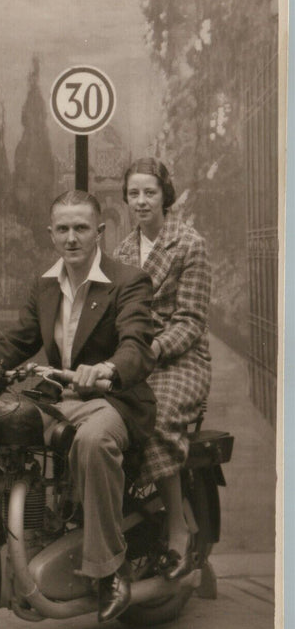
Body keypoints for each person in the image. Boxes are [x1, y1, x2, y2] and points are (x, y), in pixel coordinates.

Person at [0, 189, 156, 622]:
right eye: (63, 229)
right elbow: (15, 341)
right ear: (51, 234)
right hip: (61, 399)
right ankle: (5, 547)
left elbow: (137, 345)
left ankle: (110, 570)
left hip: (114, 400)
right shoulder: (46, 284)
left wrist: (106, 368)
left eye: (82, 228)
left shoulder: (128, 281)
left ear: (100, 233)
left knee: (92, 442)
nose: (72, 238)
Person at [115, 157, 212, 580]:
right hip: (136, 356)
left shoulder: (190, 244)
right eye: (133, 193)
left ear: (164, 196)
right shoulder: (120, 250)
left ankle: (177, 528)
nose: (140, 201)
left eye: (148, 192)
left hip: (180, 358)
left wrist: (151, 350)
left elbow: (190, 320)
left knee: (155, 414)